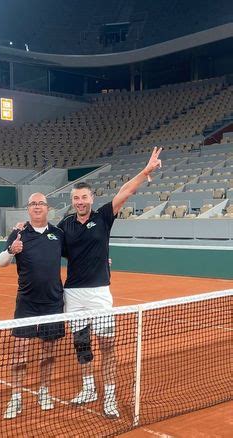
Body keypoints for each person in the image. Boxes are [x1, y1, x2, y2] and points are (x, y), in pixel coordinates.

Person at [57, 147, 162, 419]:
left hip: (100, 294)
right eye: (76, 198)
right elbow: (49, 247)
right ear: (72, 201)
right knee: (81, 345)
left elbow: (126, 192)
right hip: (74, 295)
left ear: (92, 198)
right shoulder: (65, 224)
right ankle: (89, 388)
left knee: (107, 346)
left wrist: (145, 171)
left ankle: (110, 397)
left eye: (84, 197)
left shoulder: (103, 216)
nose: (80, 202)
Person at [0, 192, 65, 420]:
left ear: (48, 208)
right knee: (19, 353)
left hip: (53, 302)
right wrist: (10, 251)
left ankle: (43, 391)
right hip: (26, 302)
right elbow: (0, 262)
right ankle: (16, 396)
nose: (37, 207)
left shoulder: (58, 234)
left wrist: (101, 259)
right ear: (28, 209)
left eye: (41, 204)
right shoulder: (18, 233)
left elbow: (78, 253)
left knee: (48, 351)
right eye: (33, 204)